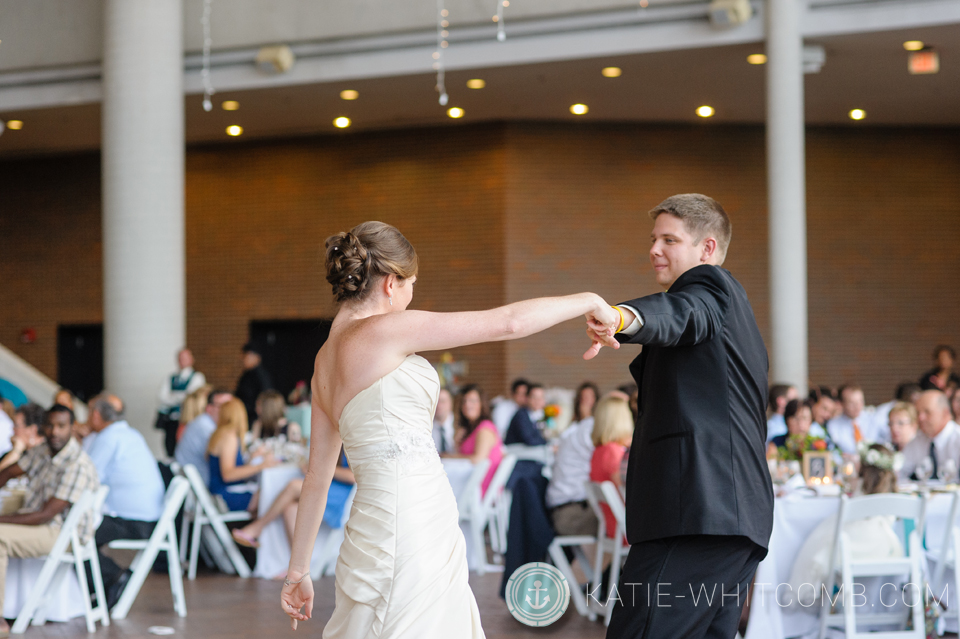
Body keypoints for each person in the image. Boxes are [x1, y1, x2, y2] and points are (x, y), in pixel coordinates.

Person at [280, 221, 615, 635]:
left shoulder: (322, 364)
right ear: (390, 283)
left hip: (373, 525)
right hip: (414, 520)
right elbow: (508, 323)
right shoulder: (386, 330)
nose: (410, 295)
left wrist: (298, 571)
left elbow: (317, 476)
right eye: (411, 284)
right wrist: (589, 299)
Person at [585, 194, 772, 639]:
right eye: (653, 239)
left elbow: (682, 314)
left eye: (670, 239)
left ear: (707, 249)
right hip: (729, 519)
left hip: (697, 514)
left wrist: (620, 316)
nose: (654, 249)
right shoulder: (739, 316)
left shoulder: (712, 289)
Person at [0, 404, 100, 635]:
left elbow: (45, 515)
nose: (55, 431)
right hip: (42, 523)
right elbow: (11, 471)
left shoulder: (77, 464)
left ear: (72, 428)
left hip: (62, 534)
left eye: (61, 426)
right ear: (43, 427)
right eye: (50, 425)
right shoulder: (43, 450)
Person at [787, 443, 902, 607]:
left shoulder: (859, 486)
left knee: (825, 539)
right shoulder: (894, 492)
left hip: (856, 547)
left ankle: (809, 597)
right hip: (885, 548)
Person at [85, 395, 167, 602]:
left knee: (75, 533)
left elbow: (86, 478)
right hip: (151, 519)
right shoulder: (130, 434)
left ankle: (114, 577)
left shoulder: (108, 438)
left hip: (134, 522)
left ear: (96, 415)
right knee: (81, 531)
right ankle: (105, 584)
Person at [233, 454, 355, 551]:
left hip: (345, 495)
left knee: (294, 486)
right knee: (290, 509)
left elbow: (353, 477)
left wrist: (320, 469)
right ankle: (298, 567)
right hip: (331, 486)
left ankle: (258, 527)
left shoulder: (354, 436)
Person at [546, 383, 600, 536]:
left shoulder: (581, 429)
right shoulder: (586, 429)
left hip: (567, 504)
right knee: (617, 523)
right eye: (583, 398)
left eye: (590, 398)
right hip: (570, 509)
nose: (586, 402)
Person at [207, 398, 277, 511]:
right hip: (225, 495)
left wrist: (251, 458)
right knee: (273, 493)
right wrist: (261, 466)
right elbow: (228, 475)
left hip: (220, 492)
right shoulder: (228, 437)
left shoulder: (219, 433)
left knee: (270, 493)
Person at [444, 384, 503, 497]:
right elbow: (463, 456)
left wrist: (448, 456)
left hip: (481, 487)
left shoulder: (485, 428)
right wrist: (457, 442)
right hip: (471, 482)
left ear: (482, 404)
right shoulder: (470, 430)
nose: (467, 405)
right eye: (464, 401)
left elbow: (478, 459)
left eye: (473, 401)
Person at [589, 395, 634, 539]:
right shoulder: (614, 452)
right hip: (624, 527)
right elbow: (627, 492)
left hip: (611, 524)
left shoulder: (599, 450)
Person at [156, 348, 207, 458]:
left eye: (185, 358)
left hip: (188, 419)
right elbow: (162, 397)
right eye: (180, 358)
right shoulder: (171, 377)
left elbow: (190, 397)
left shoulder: (197, 377)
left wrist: (173, 395)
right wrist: (181, 396)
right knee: (170, 447)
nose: (182, 361)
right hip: (171, 419)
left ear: (191, 359)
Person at [899, 390, 960, 481]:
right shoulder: (918, 440)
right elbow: (901, 472)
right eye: (918, 413)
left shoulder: (957, 439)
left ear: (945, 413)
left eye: (927, 412)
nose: (921, 418)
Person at [175, 389, 233, 485]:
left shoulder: (206, 423)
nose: (227, 410)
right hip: (201, 480)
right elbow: (223, 463)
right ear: (209, 408)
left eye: (230, 406)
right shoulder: (205, 427)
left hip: (196, 477)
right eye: (222, 406)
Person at [827, 384, 882, 454]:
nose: (857, 406)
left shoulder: (873, 419)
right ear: (841, 404)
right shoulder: (833, 425)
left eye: (860, 401)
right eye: (851, 403)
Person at [0, 403, 46, 472]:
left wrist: (16, 451)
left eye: (16, 425)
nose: (13, 429)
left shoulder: (40, 459)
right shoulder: (20, 452)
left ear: (32, 430)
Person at [235, 343, 273, 423]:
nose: (243, 360)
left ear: (256, 357)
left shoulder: (261, 375)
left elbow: (265, 395)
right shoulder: (246, 374)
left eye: (246, 356)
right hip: (245, 414)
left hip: (254, 417)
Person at [431, 388, 455, 454]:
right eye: (436, 402)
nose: (439, 405)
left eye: (443, 401)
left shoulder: (459, 424)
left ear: (451, 403)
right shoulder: (426, 427)